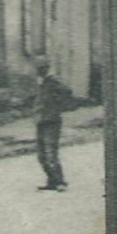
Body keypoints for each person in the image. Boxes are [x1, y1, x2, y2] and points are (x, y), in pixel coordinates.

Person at [33, 58, 73, 191]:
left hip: (51, 121)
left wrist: (57, 106)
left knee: (51, 153)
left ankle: (60, 182)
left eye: (42, 68)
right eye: (38, 68)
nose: (39, 71)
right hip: (40, 121)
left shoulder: (53, 81)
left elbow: (67, 91)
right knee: (41, 155)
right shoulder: (41, 83)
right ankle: (51, 181)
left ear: (46, 68)